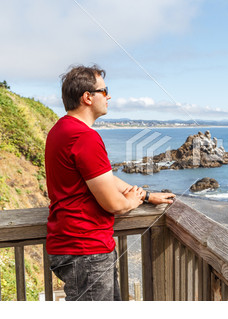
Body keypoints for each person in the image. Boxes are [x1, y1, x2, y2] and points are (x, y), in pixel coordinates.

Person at [45, 65, 175, 301]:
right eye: (104, 91)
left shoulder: (60, 130)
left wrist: (145, 196)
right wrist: (132, 201)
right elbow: (114, 205)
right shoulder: (85, 137)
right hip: (86, 250)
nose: (109, 96)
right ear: (87, 97)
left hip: (71, 245)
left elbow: (104, 178)